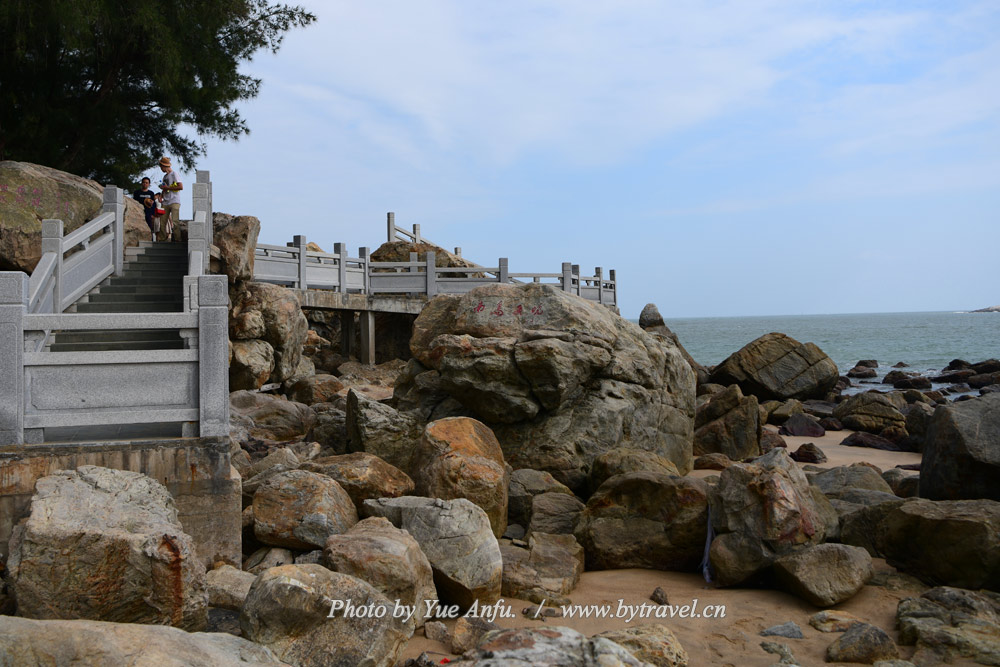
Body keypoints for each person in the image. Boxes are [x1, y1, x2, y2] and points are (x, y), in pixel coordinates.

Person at [157, 156, 183, 241]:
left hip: (174, 200)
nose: (161, 168)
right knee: (162, 221)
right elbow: (165, 188)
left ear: (164, 166)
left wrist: (167, 188)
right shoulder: (165, 177)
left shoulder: (174, 174)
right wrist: (161, 196)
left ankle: (177, 239)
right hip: (166, 201)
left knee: (175, 221)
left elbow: (180, 186)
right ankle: (162, 238)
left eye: (161, 167)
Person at [132, 177, 158, 241]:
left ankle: (150, 240)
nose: (145, 184)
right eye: (143, 182)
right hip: (139, 212)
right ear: (141, 183)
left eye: (146, 183)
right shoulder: (137, 192)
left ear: (149, 184)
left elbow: (153, 204)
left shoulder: (151, 193)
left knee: (149, 227)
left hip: (148, 213)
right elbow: (134, 202)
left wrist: (153, 214)